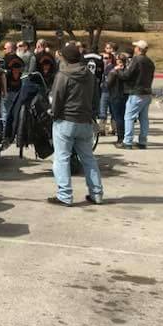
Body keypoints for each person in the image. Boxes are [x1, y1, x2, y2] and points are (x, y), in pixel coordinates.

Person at [48, 43, 104, 206]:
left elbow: (57, 98)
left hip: (65, 120)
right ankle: (97, 193)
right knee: (88, 158)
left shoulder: (63, 74)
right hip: (85, 121)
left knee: (62, 158)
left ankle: (65, 195)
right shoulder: (90, 75)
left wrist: (53, 114)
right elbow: (96, 99)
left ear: (65, 58)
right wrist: (92, 115)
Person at [118, 40, 155, 149]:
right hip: (147, 92)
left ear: (139, 49)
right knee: (144, 118)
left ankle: (127, 141)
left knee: (129, 117)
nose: (134, 49)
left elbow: (127, 75)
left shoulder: (136, 60)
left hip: (137, 92)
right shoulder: (149, 61)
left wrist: (120, 71)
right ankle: (143, 141)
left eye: (136, 47)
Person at [106, 51, 128, 146]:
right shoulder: (128, 70)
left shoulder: (114, 71)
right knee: (123, 117)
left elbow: (108, 83)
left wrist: (113, 71)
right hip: (126, 95)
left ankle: (120, 138)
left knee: (118, 117)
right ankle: (124, 137)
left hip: (116, 96)